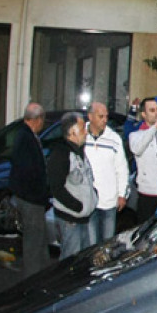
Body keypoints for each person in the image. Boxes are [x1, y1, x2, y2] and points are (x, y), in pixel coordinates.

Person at [48, 113, 97, 258]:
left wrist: (94, 196)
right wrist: (77, 206)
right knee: (70, 261)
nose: (86, 132)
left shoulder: (79, 152)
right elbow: (56, 188)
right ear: (72, 132)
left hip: (83, 218)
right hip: (70, 220)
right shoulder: (61, 154)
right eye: (83, 129)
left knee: (83, 259)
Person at [9, 103, 50, 275]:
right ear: (37, 119)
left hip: (29, 197)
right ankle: (33, 278)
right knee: (34, 242)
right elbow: (29, 170)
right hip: (31, 198)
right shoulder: (26, 138)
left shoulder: (23, 136)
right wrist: (40, 193)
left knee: (39, 240)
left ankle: (44, 273)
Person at [84, 102, 129, 244]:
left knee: (107, 243)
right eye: (100, 116)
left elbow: (121, 168)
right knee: (91, 244)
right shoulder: (81, 134)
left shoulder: (114, 138)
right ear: (90, 117)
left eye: (106, 117)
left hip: (109, 201)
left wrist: (122, 194)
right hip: (88, 201)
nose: (105, 120)